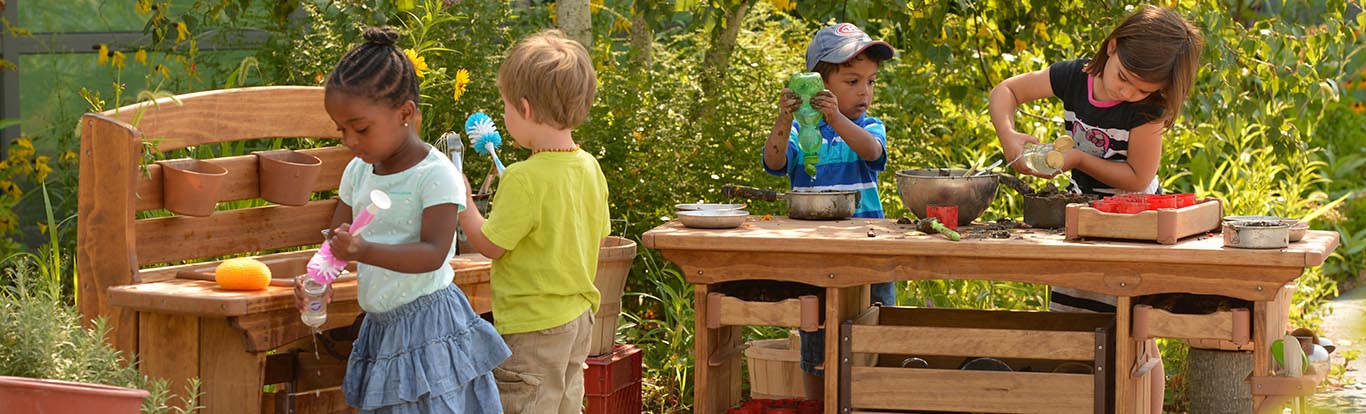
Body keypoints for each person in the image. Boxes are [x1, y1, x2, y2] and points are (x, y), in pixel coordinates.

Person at [988, 5, 1203, 412]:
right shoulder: (1074, 77)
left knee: (1133, 326)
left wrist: (1080, 160)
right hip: (1081, 217)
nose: (1128, 93)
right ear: (1112, 46)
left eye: (1142, 89)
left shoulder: (1147, 111)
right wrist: (1010, 137)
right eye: (1124, 78)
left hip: (1133, 222)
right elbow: (1006, 92)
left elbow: (1139, 176)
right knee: (1073, 318)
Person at [295, 26, 509, 414]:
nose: (349, 140)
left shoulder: (435, 174)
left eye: (360, 128)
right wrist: (319, 278)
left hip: (430, 327)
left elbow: (433, 253)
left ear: (405, 113)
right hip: (381, 327)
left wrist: (363, 249)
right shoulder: (358, 173)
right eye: (341, 129)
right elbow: (336, 239)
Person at [457, 29, 610, 414]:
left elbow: (491, 244)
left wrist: (463, 203)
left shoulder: (522, 178)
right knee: (565, 404)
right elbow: (598, 233)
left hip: (533, 329)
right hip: (578, 319)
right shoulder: (590, 167)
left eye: (506, 106)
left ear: (524, 108)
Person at [761, 22, 896, 401]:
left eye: (870, 82)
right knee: (815, 340)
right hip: (815, 253)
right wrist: (786, 117)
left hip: (869, 253)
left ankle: (876, 402)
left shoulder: (869, 126)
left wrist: (836, 118)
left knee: (876, 333)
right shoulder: (801, 132)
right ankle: (817, 404)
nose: (864, 92)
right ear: (817, 84)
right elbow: (774, 162)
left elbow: (871, 152)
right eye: (852, 81)